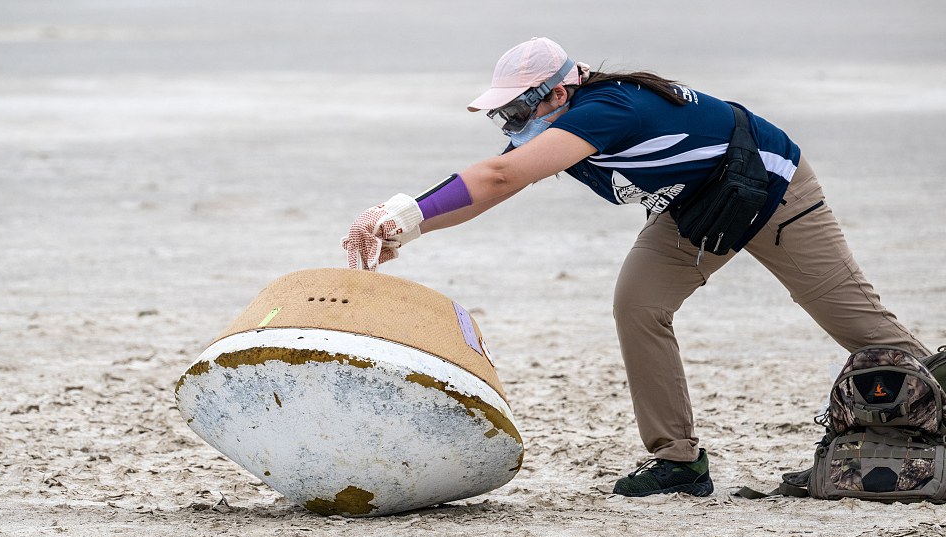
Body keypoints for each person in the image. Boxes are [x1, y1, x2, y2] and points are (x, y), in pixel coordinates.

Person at [341, 37, 931, 497]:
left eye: (519, 107)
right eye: (504, 115)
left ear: (559, 92)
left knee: (859, 325)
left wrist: (403, 212)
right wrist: (406, 232)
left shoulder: (607, 109)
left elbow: (498, 176)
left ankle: (936, 411)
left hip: (770, 189)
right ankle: (679, 462)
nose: (513, 123)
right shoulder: (558, 124)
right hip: (697, 207)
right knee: (639, 305)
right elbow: (495, 187)